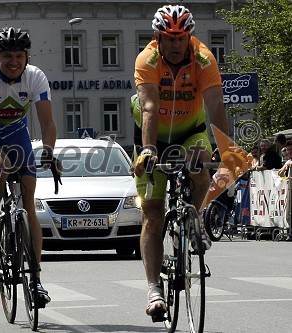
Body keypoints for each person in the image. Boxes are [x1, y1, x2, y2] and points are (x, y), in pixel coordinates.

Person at [132, 4, 229, 320]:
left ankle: (195, 220)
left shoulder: (204, 58)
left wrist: (227, 151)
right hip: (154, 136)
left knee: (200, 160)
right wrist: (147, 151)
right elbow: (148, 107)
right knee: (153, 214)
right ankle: (153, 289)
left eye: (181, 38)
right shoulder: (147, 60)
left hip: (191, 131)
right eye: (169, 38)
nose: (175, 44)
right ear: (157, 35)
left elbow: (215, 105)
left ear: (190, 35)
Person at [0, 27, 57, 305]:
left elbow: (48, 123)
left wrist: (49, 152)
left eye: (19, 56)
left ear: (27, 56)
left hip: (16, 132)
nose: (13, 62)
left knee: (29, 199)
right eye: (7, 57)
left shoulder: (36, 77)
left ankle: (37, 279)